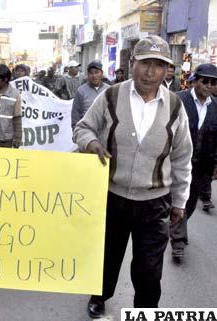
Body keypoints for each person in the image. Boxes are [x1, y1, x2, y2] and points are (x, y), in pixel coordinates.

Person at [73, 36, 192, 317]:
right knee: (108, 255)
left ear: (167, 71)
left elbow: (182, 157)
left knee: (149, 267)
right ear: (132, 63)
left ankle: (146, 312)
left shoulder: (175, 106)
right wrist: (91, 143)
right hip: (112, 197)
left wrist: (180, 201)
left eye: (159, 65)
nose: (151, 72)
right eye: (145, 64)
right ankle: (99, 296)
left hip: (155, 202)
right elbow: (83, 128)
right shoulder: (112, 96)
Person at [170, 63, 217, 260]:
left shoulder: (216, 106)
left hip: (202, 164)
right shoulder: (178, 100)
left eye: (213, 82)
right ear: (194, 81)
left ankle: (179, 227)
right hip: (178, 162)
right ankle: (177, 241)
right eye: (204, 81)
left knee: (189, 203)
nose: (208, 85)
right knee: (177, 199)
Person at [0, 64, 22, 148]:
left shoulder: (15, 94)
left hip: (6, 140)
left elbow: (17, 118)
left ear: (5, 79)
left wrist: (18, 138)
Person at [71, 60, 110, 130]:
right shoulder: (81, 91)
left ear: (101, 73)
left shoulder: (109, 90)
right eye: (91, 73)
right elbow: (75, 114)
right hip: (87, 132)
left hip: (105, 133)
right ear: (88, 75)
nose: (94, 76)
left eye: (96, 72)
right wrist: (76, 133)